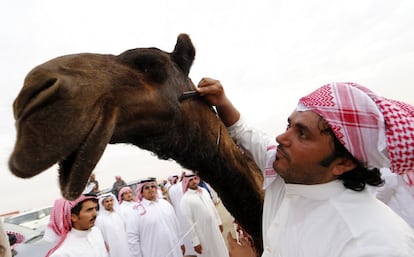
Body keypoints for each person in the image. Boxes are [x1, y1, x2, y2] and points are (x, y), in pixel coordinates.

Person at [197, 78, 414, 257]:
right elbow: (246, 134)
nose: (282, 137)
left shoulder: (372, 242)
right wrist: (222, 101)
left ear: (343, 163)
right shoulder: (292, 172)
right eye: (289, 125)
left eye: (302, 134)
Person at [126, 178, 184, 257]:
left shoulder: (165, 204)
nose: (151, 189)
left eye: (153, 186)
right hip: (153, 252)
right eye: (146, 188)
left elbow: (176, 225)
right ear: (141, 192)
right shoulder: (136, 211)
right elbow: (132, 239)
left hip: (175, 249)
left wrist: (181, 243)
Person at [180, 172, 229, 257]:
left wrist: (219, 222)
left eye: (195, 178)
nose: (194, 181)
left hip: (214, 229)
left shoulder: (204, 191)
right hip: (202, 234)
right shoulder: (185, 200)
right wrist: (195, 242)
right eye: (190, 180)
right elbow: (189, 223)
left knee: (221, 250)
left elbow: (213, 208)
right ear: (186, 182)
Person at [169, 171, 198, 257]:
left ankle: (190, 251)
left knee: (186, 233)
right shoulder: (182, 187)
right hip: (188, 212)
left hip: (179, 215)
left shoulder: (170, 189)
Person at [96, 193, 131, 257]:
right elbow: (98, 235)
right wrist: (104, 244)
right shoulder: (99, 219)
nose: (109, 203)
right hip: (111, 247)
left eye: (111, 200)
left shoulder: (119, 214)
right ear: (102, 204)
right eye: (107, 201)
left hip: (124, 244)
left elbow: (127, 228)